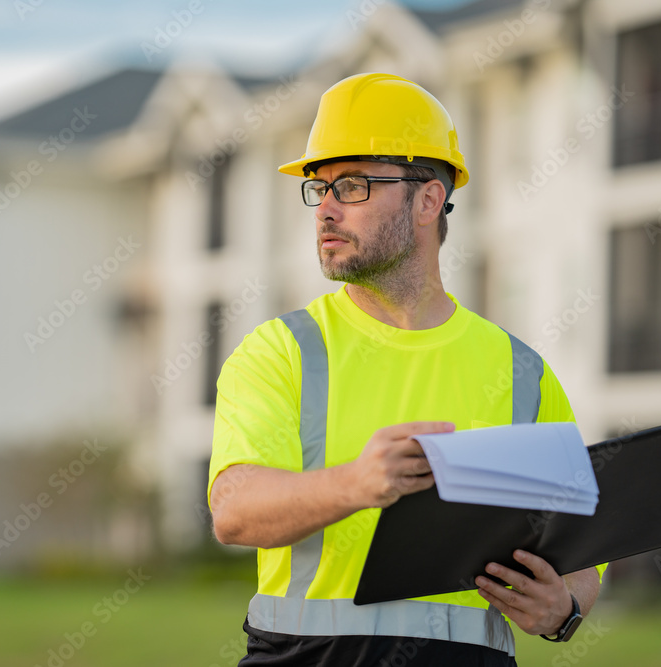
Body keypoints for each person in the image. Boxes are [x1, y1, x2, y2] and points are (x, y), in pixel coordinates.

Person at [207, 72, 603, 666]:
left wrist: (563, 608)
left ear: (428, 201)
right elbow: (234, 511)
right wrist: (356, 484)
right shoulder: (281, 350)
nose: (326, 210)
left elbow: (583, 546)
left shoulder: (521, 371)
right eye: (320, 188)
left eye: (353, 186)